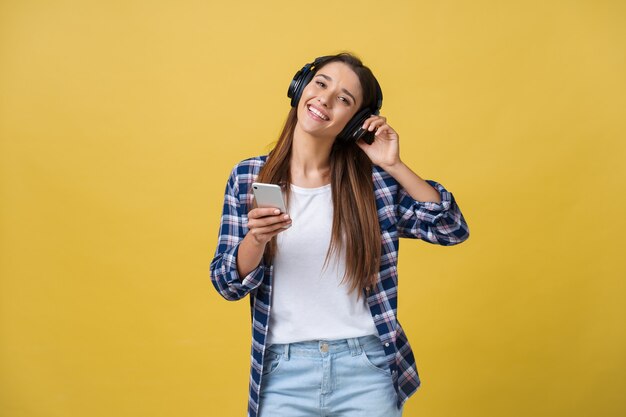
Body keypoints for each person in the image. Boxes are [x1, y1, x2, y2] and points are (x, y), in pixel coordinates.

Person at [210, 52, 470, 417]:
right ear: (300, 88)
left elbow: (450, 228)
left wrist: (392, 164)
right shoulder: (250, 176)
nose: (325, 100)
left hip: (366, 368)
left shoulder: (373, 183)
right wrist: (256, 240)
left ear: (356, 122)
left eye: (344, 99)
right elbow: (226, 283)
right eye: (320, 84)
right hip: (282, 370)